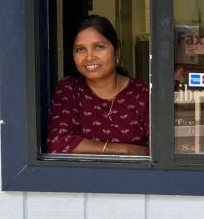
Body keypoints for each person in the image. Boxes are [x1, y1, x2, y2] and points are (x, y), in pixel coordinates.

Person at [46, 15, 149, 155]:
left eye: (99, 47)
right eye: (80, 49)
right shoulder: (69, 89)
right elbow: (58, 144)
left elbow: (160, 152)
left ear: (117, 50)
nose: (89, 57)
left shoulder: (142, 94)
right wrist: (126, 150)